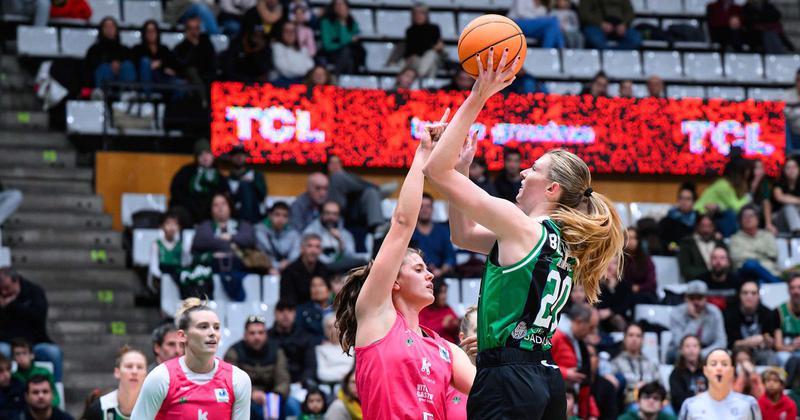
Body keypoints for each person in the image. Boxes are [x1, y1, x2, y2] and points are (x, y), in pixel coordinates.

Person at [423, 49, 624, 419]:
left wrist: (477, 95)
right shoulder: (559, 238)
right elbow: (463, 236)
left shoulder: (520, 226)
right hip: (544, 376)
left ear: (552, 189)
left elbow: (435, 171)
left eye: (533, 168)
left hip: (508, 378)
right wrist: (463, 173)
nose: (523, 173)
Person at [332, 112, 475, 419]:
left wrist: (461, 172)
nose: (430, 274)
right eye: (418, 269)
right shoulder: (376, 317)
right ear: (393, 282)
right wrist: (423, 153)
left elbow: (491, 397)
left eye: (427, 268)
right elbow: (402, 223)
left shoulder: (446, 349)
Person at [131, 298, 252, 418]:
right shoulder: (161, 377)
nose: (212, 333)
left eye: (216, 327)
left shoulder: (238, 379)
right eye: (203, 327)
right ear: (182, 336)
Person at [0, 269, 62, 383]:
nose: (4, 292)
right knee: (2, 349)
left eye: (7, 288)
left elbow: (37, 317)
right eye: (1, 289)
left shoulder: (34, 292)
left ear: (16, 281)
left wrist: (12, 305)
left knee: (53, 352)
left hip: (34, 342)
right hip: (7, 342)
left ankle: (55, 390)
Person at [223, 315, 291, 418]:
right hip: (246, 396)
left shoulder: (276, 351)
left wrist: (275, 395)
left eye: (261, 333)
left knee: (292, 404)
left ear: (266, 334)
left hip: (273, 396)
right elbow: (231, 382)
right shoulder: (234, 352)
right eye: (252, 333)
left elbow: (283, 378)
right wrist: (252, 394)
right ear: (245, 335)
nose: (257, 337)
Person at [192, 193, 257, 300]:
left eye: (223, 203)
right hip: (212, 268)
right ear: (211, 209)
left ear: (230, 206)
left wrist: (229, 237)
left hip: (239, 268)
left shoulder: (242, 224)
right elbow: (200, 241)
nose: (220, 208)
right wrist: (232, 242)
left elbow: (250, 240)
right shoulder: (205, 226)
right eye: (215, 205)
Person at [678, 348, 761, 419]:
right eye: (713, 364)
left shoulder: (748, 404)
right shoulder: (690, 405)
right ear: (705, 371)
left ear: (731, 371)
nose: (719, 368)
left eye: (724, 364)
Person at [551, 305, 599, 419]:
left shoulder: (577, 340)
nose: (592, 332)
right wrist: (566, 373)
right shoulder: (555, 336)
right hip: (556, 402)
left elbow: (585, 380)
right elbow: (539, 364)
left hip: (572, 404)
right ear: (579, 322)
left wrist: (592, 413)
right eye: (591, 327)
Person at [325, 154, 389, 234]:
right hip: (335, 212)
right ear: (327, 166)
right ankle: (377, 189)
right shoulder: (324, 179)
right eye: (332, 163)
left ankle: (377, 227)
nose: (336, 166)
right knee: (337, 176)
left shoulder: (347, 177)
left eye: (338, 163)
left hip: (354, 211)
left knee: (371, 192)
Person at [169, 139, 226, 226]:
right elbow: (176, 191)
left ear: (212, 156)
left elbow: (225, 195)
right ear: (196, 157)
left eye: (207, 153)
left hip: (211, 210)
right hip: (188, 210)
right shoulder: (186, 171)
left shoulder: (219, 176)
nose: (205, 157)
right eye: (201, 154)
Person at [82, 346, 147, 420]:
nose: (134, 372)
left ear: (146, 375)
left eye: (140, 367)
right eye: (129, 366)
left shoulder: (153, 407)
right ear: (117, 372)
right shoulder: (99, 407)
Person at [668, 280, 728, 360]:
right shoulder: (677, 313)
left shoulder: (714, 312)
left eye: (699, 298)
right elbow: (679, 343)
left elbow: (721, 342)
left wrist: (700, 354)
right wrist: (695, 320)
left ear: (706, 298)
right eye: (692, 298)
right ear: (686, 298)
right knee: (673, 354)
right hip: (684, 353)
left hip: (707, 351)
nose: (696, 302)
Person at [694, 158, 753, 237]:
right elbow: (736, 207)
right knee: (731, 215)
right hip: (699, 216)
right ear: (739, 174)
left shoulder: (726, 184)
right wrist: (748, 197)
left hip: (711, 216)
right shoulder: (723, 185)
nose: (747, 177)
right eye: (745, 174)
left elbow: (726, 206)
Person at [303, 201, 365, 274]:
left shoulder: (345, 234)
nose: (331, 217)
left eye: (335, 214)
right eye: (327, 213)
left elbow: (350, 256)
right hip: (319, 269)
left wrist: (340, 241)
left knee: (362, 263)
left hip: (341, 270)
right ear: (321, 214)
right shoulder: (310, 231)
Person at [725, 280, 777, 365]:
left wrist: (767, 341)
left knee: (772, 356)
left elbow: (772, 341)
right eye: (745, 293)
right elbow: (730, 343)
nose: (749, 296)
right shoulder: (730, 314)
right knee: (741, 356)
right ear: (739, 295)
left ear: (759, 296)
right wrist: (748, 342)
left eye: (753, 293)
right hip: (738, 351)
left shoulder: (767, 313)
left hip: (761, 351)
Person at [611, 323, 661, 405]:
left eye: (638, 336)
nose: (634, 339)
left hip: (652, 402)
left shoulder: (651, 364)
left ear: (642, 340)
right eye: (631, 335)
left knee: (668, 411)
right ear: (624, 338)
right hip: (628, 403)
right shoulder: (615, 363)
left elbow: (660, 387)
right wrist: (636, 388)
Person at [729, 205, 781, 284]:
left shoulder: (767, 235)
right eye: (745, 216)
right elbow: (736, 256)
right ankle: (779, 284)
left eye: (751, 216)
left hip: (768, 271)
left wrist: (751, 255)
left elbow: (773, 254)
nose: (748, 219)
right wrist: (762, 255)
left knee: (761, 281)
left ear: (758, 219)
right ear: (740, 220)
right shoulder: (735, 238)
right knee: (750, 264)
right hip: (745, 274)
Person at [268, 300, 317, 385]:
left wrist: (302, 382)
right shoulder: (266, 337)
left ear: (295, 313)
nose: (285, 314)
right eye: (281, 310)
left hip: (299, 384)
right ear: (275, 313)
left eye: (290, 310)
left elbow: (310, 366)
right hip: (272, 385)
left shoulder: (305, 337)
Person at [132, 20, 181, 98]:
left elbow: (172, 64)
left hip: (162, 79)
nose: (151, 33)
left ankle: (171, 108)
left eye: (153, 31)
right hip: (145, 81)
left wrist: (160, 64)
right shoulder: (137, 49)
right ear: (144, 33)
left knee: (181, 84)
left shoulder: (164, 49)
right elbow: (137, 65)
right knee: (145, 62)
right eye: (148, 31)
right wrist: (150, 65)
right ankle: (147, 96)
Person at [412, 193, 456, 278]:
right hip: (415, 276)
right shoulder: (410, 232)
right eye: (421, 206)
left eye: (428, 206)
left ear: (432, 209)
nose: (425, 210)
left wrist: (440, 271)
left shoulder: (442, 231)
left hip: (439, 277)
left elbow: (450, 257)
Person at [85, 17, 135, 89]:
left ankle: (127, 93)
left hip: (121, 78)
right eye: (106, 27)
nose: (109, 29)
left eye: (112, 26)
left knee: (127, 66)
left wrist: (118, 65)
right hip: (101, 81)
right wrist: (110, 65)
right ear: (101, 30)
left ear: (116, 30)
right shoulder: (94, 49)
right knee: (104, 68)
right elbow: (90, 66)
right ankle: (101, 94)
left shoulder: (125, 49)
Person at [224, 145, 267, 224]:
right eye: (235, 154)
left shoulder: (255, 175)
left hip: (253, 216)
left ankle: (246, 225)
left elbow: (262, 196)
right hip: (233, 216)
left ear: (246, 157)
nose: (239, 157)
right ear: (231, 158)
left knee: (245, 186)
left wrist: (252, 184)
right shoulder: (226, 179)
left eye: (242, 154)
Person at [280, 234, 328, 305]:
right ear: (302, 249)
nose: (313, 251)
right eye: (309, 246)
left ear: (320, 251)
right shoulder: (289, 271)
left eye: (317, 247)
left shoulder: (323, 269)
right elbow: (288, 300)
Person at [11, 338, 58, 408]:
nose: (21, 357)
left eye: (24, 353)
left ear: (32, 355)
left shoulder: (44, 372)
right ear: (13, 357)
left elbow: (56, 397)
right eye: (17, 354)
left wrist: (45, 408)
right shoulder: (13, 377)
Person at [319, 0, 363, 74]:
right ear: (333, 7)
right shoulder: (326, 22)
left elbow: (351, 39)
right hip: (331, 53)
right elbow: (327, 46)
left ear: (347, 7)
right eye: (337, 5)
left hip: (349, 54)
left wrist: (343, 24)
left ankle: (339, 80)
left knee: (349, 56)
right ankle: (340, 79)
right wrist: (348, 38)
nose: (340, 7)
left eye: (342, 4)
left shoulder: (352, 22)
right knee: (347, 53)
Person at [256, 201, 300, 275]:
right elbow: (261, 254)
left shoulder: (294, 234)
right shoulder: (260, 231)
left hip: (288, 268)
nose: (281, 219)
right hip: (266, 269)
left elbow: (295, 254)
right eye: (277, 215)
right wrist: (276, 266)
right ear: (270, 215)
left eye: (285, 216)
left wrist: (288, 262)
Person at [173, 16, 218, 88]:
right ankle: (203, 99)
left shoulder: (206, 43)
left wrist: (196, 46)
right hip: (189, 82)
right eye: (190, 29)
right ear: (186, 31)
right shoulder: (180, 47)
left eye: (196, 28)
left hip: (207, 78)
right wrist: (192, 46)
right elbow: (183, 65)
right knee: (191, 71)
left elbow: (210, 62)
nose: (193, 32)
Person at [677, 214, 725, 281]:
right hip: (696, 283)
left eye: (709, 226)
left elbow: (728, 265)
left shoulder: (720, 243)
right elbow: (686, 269)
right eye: (702, 226)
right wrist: (710, 274)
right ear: (697, 226)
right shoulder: (687, 243)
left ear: (714, 227)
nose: (706, 230)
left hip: (720, 282)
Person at [148, 213, 187, 293]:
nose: (172, 227)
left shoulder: (182, 245)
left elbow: (185, 264)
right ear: (162, 226)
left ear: (179, 227)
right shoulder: (157, 244)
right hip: (162, 276)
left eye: (175, 224)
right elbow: (154, 267)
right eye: (168, 223)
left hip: (177, 276)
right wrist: (165, 279)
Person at [404, 3, 444, 79]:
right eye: (416, 13)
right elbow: (411, 51)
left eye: (421, 13)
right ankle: (428, 82)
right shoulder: (410, 31)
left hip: (432, 58)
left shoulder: (434, 28)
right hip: (417, 60)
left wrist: (429, 48)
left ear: (426, 15)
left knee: (431, 55)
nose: (418, 16)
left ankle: (420, 76)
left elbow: (438, 47)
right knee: (431, 64)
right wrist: (430, 47)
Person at [669, 335, 708, 414]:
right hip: (684, 413)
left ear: (700, 349)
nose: (691, 349)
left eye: (695, 346)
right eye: (687, 346)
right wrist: (697, 396)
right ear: (681, 350)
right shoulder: (675, 374)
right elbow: (678, 399)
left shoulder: (707, 371)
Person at [272, 20, 316, 86]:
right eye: (287, 31)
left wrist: (295, 68)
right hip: (284, 85)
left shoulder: (303, 49)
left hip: (303, 83)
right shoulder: (277, 47)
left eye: (293, 31)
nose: (290, 34)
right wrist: (303, 69)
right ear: (281, 33)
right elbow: (285, 71)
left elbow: (311, 66)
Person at [659, 183, 699, 254]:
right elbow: (662, 240)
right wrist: (671, 246)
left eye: (688, 199)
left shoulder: (699, 220)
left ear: (694, 201)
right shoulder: (667, 220)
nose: (684, 202)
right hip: (672, 256)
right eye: (681, 198)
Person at [315, 314, 354, 385]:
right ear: (324, 330)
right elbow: (322, 374)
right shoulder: (321, 349)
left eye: (336, 326)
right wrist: (345, 375)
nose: (334, 330)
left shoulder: (353, 347)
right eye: (329, 327)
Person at [622, 227, 657, 304]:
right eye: (628, 238)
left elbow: (652, 283)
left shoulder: (646, 259)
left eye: (634, 238)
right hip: (624, 293)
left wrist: (638, 288)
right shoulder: (618, 259)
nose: (631, 241)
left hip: (644, 293)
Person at [419, 278, 461, 343]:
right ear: (434, 293)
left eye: (445, 292)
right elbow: (422, 332)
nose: (445, 296)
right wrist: (442, 326)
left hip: (449, 348)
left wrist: (454, 325)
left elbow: (458, 332)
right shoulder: (423, 310)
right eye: (441, 292)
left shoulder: (447, 309)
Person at [296, 276, 334, 342]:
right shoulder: (301, 311)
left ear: (329, 290)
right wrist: (321, 340)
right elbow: (299, 335)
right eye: (313, 286)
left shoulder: (339, 309)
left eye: (321, 285)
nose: (317, 289)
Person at [774, 274, 800, 366]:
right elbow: (778, 346)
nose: (796, 291)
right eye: (792, 288)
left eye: (799, 287)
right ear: (788, 290)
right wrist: (793, 347)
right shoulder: (779, 311)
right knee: (782, 357)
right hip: (787, 353)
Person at [771, 156, 800, 234]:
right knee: (789, 207)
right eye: (788, 167)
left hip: (796, 215)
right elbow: (779, 197)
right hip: (779, 217)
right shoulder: (779, 182)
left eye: (794, 167)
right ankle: (798, 233)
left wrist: (789, 198)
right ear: (784, 170)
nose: (792, 170)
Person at [784, 72, 800, 152]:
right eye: (798, 80)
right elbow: (784, 114)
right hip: (793, 133)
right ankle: (790, 155)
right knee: (783, 124)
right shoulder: (787, 95)